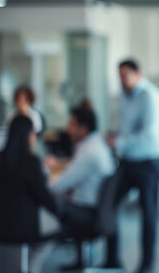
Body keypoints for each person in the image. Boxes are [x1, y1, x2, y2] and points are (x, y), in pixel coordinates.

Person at [104, 59, 159, 273]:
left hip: (150, 162)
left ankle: (146, 265)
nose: (121, 80)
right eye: (119, 76)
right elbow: (123, 125)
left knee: (148, 215)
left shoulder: (151, 97)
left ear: (137, 73)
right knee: (109, 203)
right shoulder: (124, 96)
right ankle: (112, 260)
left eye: (125, 75)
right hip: (129, 161)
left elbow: (150, 135)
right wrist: (115, 136)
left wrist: (120, 142)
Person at [0, 115, 59, 272]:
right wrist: (61, 211)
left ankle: (25, 265)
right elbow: (44, 197)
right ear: (28, 134)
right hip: (23, 229)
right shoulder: (30, 161)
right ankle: (33, 266)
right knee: (57, 223)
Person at [49, 100, 116, 271]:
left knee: (48, 200)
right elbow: (74, 174)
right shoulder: (96, 144)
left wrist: (39, 182)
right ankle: (80, 261)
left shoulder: (89, 151)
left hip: (89, 214)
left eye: (72, 124)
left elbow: (60, 184)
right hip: (99, 210)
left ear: (83, 128)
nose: (68, 128)